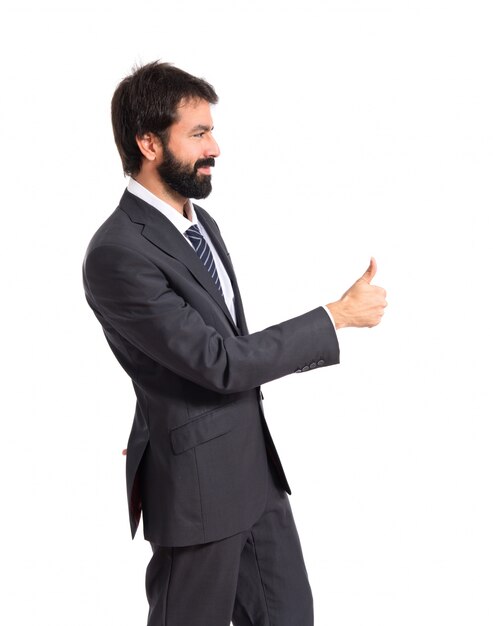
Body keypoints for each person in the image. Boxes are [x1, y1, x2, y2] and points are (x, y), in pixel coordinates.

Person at [83, 61, 387, 626]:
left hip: (253, 471)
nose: (215, 146)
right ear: (148, 143)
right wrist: (334, 317)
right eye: (198, 133)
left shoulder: (201, 226)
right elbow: (219, 362)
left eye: (212, 130)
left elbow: (184, 352)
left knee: (290, 615)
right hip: (197, 489)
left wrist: (157, 415)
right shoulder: (118, 252)